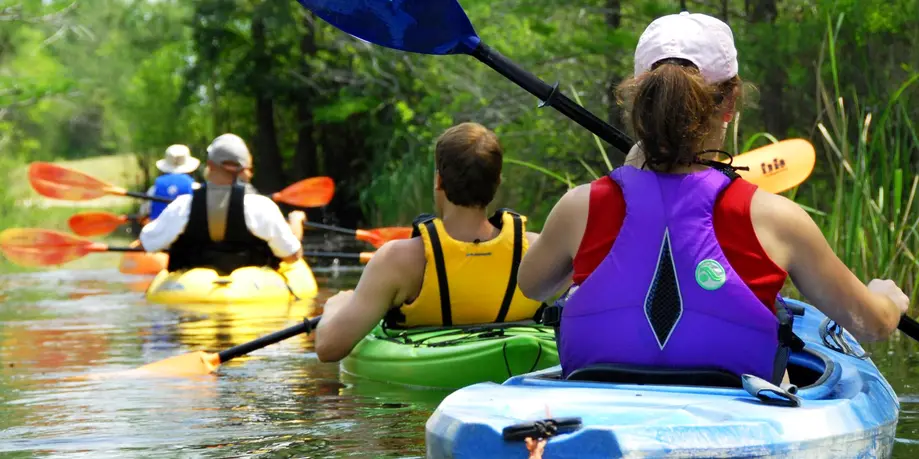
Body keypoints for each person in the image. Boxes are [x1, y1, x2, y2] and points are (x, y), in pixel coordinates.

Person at [516, 12, 909, 384]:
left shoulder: (580, 207)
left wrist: (630, 178)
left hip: (599, 408)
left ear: (637, 102)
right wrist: (886, 298)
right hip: (736, 414)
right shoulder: (777, 220)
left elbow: (533, 286)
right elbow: (870, 324)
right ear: (730, 104)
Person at [314, 122, 562, 362]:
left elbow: (328, 349)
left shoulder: (399, 259)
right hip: (520, 367)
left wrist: (336, 305)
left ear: (438, 181)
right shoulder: (537, 248)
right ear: (497, 182)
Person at [138, 133, 306, 275]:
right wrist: (296, 222)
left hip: (193, 291)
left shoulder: (182, 205)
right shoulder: (262, 206)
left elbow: (147, 243)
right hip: (250, 291)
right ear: (246, 169)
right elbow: (292, 255)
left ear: (210, 165)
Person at [139, 144, 201, 222]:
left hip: (160, 232)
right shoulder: (197, 189)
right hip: (189, 232)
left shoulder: (153, 189)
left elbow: (143, 213)